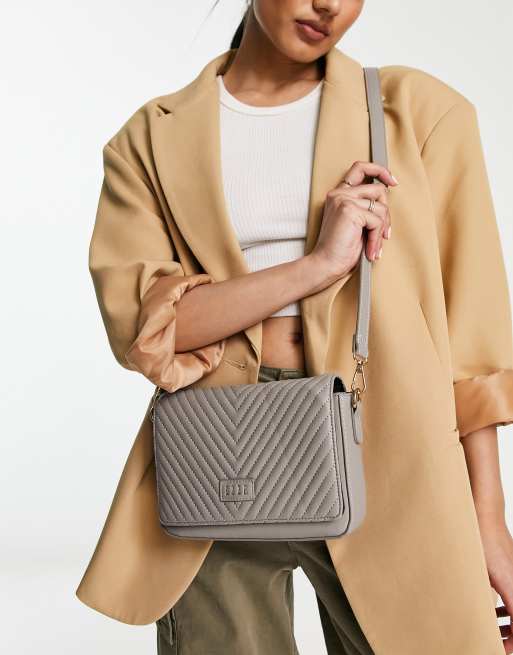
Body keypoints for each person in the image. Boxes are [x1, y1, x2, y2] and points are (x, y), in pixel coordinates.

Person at [76, 1, 513, 653]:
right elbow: (147, 329)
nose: (329, 5)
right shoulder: (151, 137)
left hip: (386, 440)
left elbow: (472, 339)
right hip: (217, 453)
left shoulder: (417, 111)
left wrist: (488, 519)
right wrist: (317, 266)